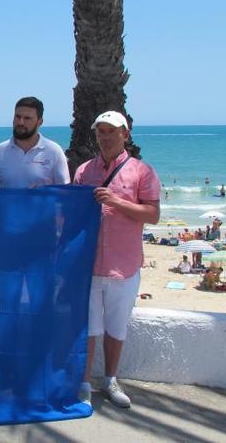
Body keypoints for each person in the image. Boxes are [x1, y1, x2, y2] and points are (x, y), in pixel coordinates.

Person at [73, 110, 160, 408]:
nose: (106, 137)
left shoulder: (142, 171)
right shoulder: (84, 171)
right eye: (101, 132)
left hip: (123, 265)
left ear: (125, 134)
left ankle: (110, 380)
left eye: (112, 131)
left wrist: (117, 202)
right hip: (88, 264)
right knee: (89, 327)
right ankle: (84, 383)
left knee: (116, 327)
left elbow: (153, 214)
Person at [0, 96, 69, 187]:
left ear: (40, 122)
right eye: (17, 117)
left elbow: (63, 192)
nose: (20, 122)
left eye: (27, 118)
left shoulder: (54, 151)